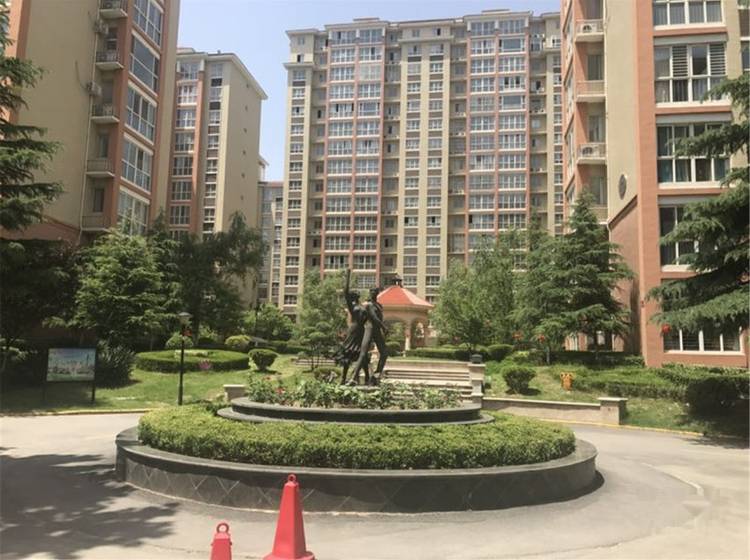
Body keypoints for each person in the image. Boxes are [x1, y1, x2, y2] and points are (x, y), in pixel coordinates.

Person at [332, 270, 367, 384]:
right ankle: (343, 378)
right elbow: (345, 291)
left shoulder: (363, 306)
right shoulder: (352, 307)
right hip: (353, 330)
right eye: (353, 294)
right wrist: (348, 276)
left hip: (361, 331)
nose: (354, 295)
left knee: (362, 354)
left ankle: (366, 377)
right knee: (348, 353)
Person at [351, 286, 388, 385]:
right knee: (363, 354)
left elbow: (379, 317)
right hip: (369, 328)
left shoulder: (379, 305)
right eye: (371, 291)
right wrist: (384, 327)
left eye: (374, 291)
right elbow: (374, 317)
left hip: (377, 331)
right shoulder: (368, 305)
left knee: (384, 353)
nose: (372, 293)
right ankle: (353, 377)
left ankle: (376, 374)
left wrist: (382, 328)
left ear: (378, 293)